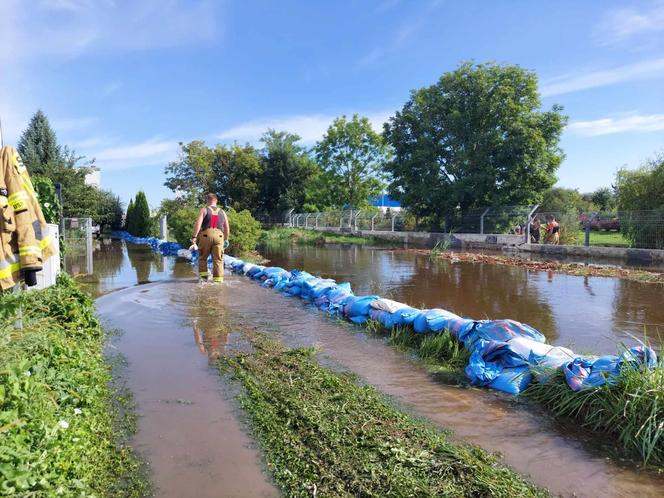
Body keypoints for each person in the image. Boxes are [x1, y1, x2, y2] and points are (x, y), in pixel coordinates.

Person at [192, 193, 230, 282]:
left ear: (207, 200)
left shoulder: (204, 210)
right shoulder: (223, 212)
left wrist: (194, 236)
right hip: (219, 236)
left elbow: (198, 224)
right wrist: (226, 239)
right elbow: (227, 227)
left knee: (202, 257)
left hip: (206, 235)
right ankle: (218, 281)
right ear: (216, 200)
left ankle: (203, 279)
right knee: (218, 260)